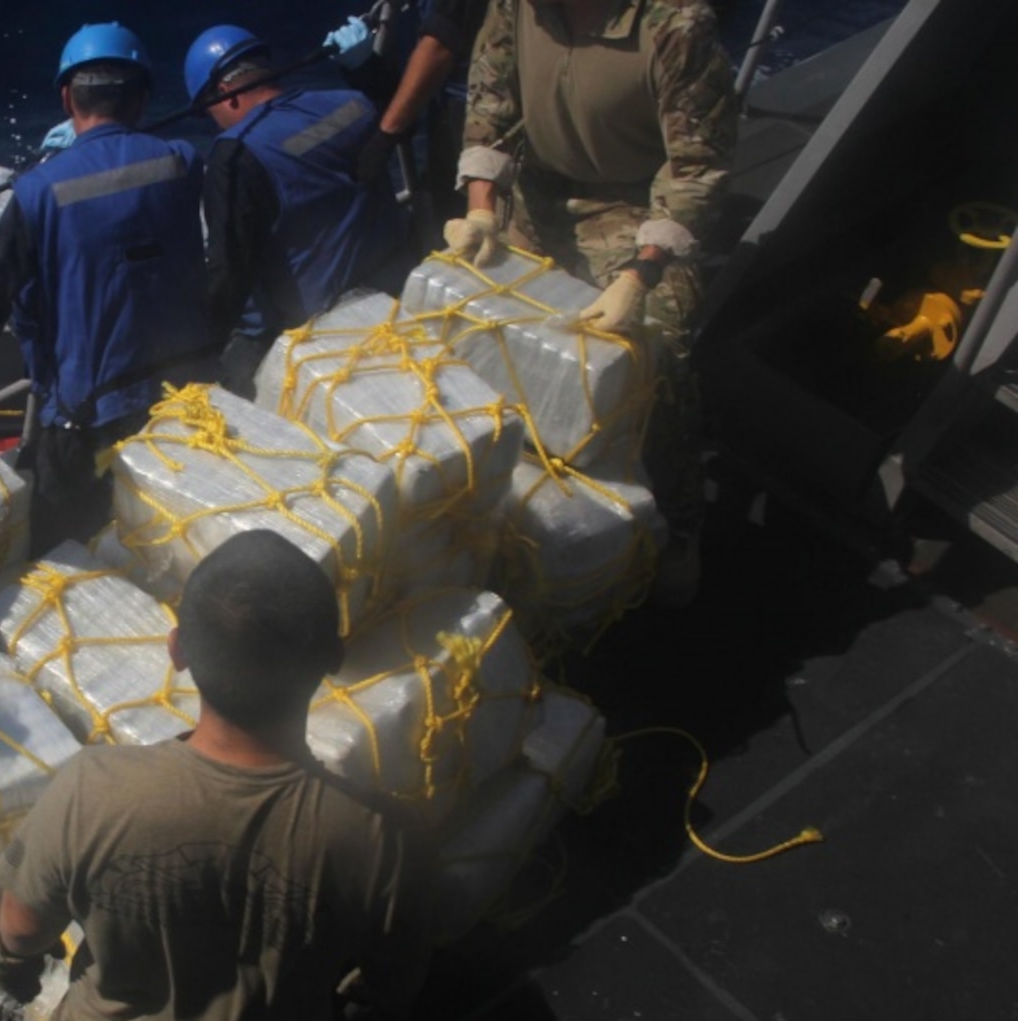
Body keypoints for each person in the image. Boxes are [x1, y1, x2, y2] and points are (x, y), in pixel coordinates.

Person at [0, 530, 429, 1021]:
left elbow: (21, 931)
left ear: (176, 652)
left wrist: (15, 970)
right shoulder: (380, 839)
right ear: (333, 660)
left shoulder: (93, 790)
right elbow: (391, 987)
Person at [445, 0, 736, 604]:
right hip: (537, 192)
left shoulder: (677, 25)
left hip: (636, 206)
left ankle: (680, 526)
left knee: (657, 360)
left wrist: (641, 274)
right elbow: (490, 105)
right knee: (478, 327)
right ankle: (490, 502)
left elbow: (697, 165)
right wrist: (480, 208)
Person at [0, 23, 211, 556]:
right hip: (183, 396)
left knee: (61, 551)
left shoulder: (38, 192)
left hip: (83, 418)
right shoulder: (183, 161)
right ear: (144, 96)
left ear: (66, 99)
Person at [189, 17, 413, 396]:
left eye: (210, 114)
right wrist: (367, 69)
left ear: (226, 94)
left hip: (321, 336)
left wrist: (196, 354)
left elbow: (230, 271)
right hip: (398, 295)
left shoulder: (236, 153)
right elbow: (403, 118)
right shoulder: (353, 103)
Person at [373, 0, 494, 241]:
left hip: (475, 109)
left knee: (461, 218)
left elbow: (439, 44)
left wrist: (387, 132)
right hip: (455, 101)